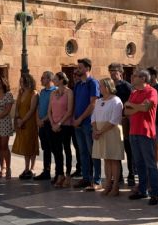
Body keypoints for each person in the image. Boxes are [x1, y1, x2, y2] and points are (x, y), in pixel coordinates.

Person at [125, 69, 158, 204]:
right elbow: (126, 111)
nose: (133, 78)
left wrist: (134, 106)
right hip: (133, 132)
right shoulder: (134, 93)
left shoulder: (152, 91)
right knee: (139, 164)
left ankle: (154, 193)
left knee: (150, 164)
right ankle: (142, 190)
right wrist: (138, 106)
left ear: (144, 78)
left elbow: (145, 108)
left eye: (136, 76)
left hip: (146, 132)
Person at [92, 78, 124, 195]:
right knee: (106, 159)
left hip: (111, 132)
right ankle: (108, 185)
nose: (99, 88)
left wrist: (100, 131)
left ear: (107, 87)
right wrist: (95, 130)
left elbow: (114, 120)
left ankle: (115, 186)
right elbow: (94, 117)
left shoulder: (116, 100)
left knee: (114, 159)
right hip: (100, 132)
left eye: (100, 86)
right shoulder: (99, 101)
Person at [72, 58, 101, 189]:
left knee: (92, 152)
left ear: (87, 68)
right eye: (77, 68)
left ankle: (97, 180)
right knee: (82, 151)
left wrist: (80, 118)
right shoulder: (78, 85)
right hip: (78, 123)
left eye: (80, 67)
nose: (78, 70)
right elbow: (75, 103)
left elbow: (93, 104)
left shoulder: (93, 83)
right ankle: (85, 177)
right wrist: (74, 118)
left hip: (88, 123)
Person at [108, 63, 135, 187]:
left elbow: (132, 102)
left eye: (114, 71)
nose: (112, 73)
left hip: (125, 121)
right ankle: (118, 176)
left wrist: (125, 115)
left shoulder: (127, 86)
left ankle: (131, 175)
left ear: (121, 72)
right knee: (116, 149)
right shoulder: (109, 87)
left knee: (129, 149)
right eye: (111, 71)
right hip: (112, 122)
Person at [48, 71, 74, 188]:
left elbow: (69, 111)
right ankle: (60, 174)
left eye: (55, 78)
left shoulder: (69, 92)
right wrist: (53, 124)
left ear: (62, 80)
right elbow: (49, 111)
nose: (53, 80)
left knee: (67, 150)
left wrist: (59, 124)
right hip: (54, 125)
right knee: (57, 151)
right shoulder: (53, 93)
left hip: (66, 125)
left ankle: (68, 175)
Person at [12, 73, 40, 179]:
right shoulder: (21, 92)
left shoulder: (34, 93)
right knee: (25, 145)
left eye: (22, 82)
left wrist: (23, 120)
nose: (20, 84)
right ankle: (26, 168)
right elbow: (18, 107)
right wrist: (18, 118)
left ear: (28, 82)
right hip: (21, 122)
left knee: (31, 145)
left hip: (30, 122)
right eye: (20, 82)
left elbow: (32, 110)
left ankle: (31, 169)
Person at [35, 71, 57, 181]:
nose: (41, 80)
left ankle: (59, 172)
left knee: (54, 148)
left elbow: (53, 109)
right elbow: (39, 106)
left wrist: (44, 120)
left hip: (49, 123)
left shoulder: (55, 91)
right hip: (41, 124)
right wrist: (38, 119)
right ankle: (46, 171)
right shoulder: (42, 92)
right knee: (45, 148)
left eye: (42, 78)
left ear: (49, 79)